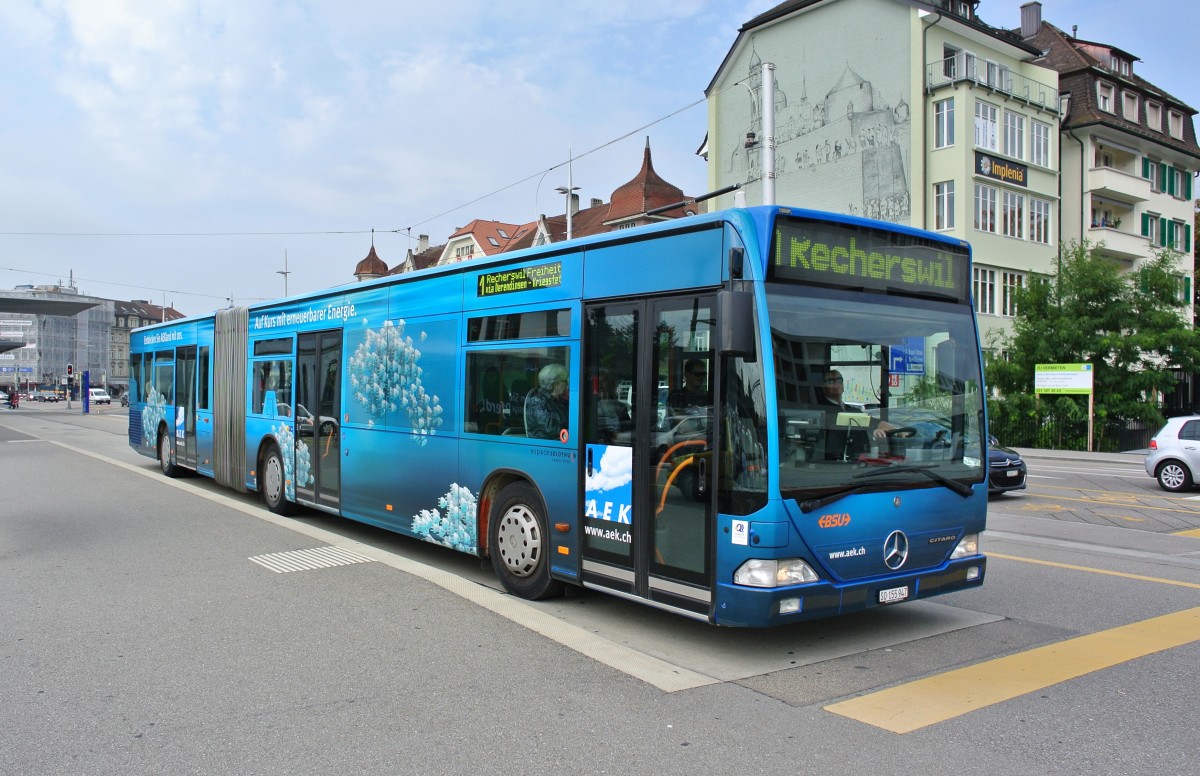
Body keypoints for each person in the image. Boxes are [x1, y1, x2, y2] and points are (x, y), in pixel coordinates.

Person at [817, 370, 893, 440]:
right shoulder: (822, 410)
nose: (836, 383)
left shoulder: (852, 410)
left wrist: (897, 432)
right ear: (823, 387)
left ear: (843, 386)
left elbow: (874, 423)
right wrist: (870, 433)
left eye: (839, 380)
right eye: (831, 381)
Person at [524, 363, 569, 440]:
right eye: (565, 381)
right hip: (545, 446)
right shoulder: (537, 401)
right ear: (556, 384)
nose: (567, 384)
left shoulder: (555, 400)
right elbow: (550, 429)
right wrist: (573, 432)